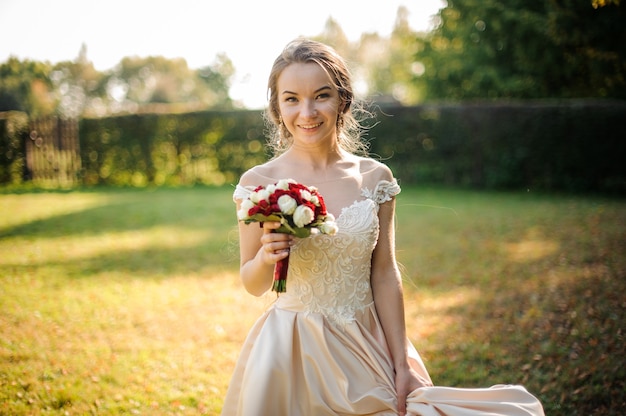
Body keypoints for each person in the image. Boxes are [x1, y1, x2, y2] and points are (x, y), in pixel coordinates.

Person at [222, 38, 544, 416]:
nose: (306, 112)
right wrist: (265, 257)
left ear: (343, 99)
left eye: (321, 96)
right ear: (276, 105)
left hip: (367, 340)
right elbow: (252, 283)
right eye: (291, 98)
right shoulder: (259, 181)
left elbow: (385, 272)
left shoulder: (375, 177)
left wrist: (402, 360)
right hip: (292, 349)